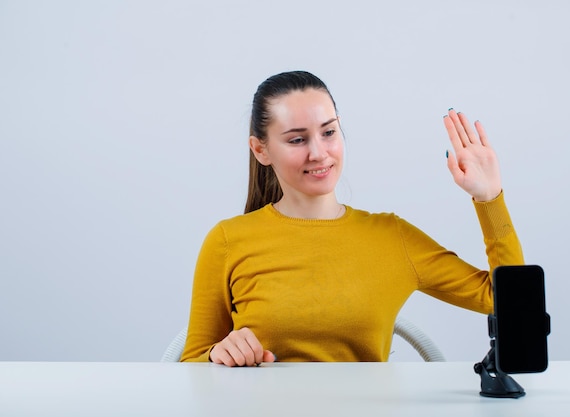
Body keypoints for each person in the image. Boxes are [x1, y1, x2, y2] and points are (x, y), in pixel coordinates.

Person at [180, 70, 524, 366]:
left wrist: (489, 199)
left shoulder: (391, 236)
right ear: (261, 149)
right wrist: (216, 355)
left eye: (328, 132)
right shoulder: (227, 240)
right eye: (298, 139)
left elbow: (512, 304)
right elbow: (190, 363)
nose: (319, 152)